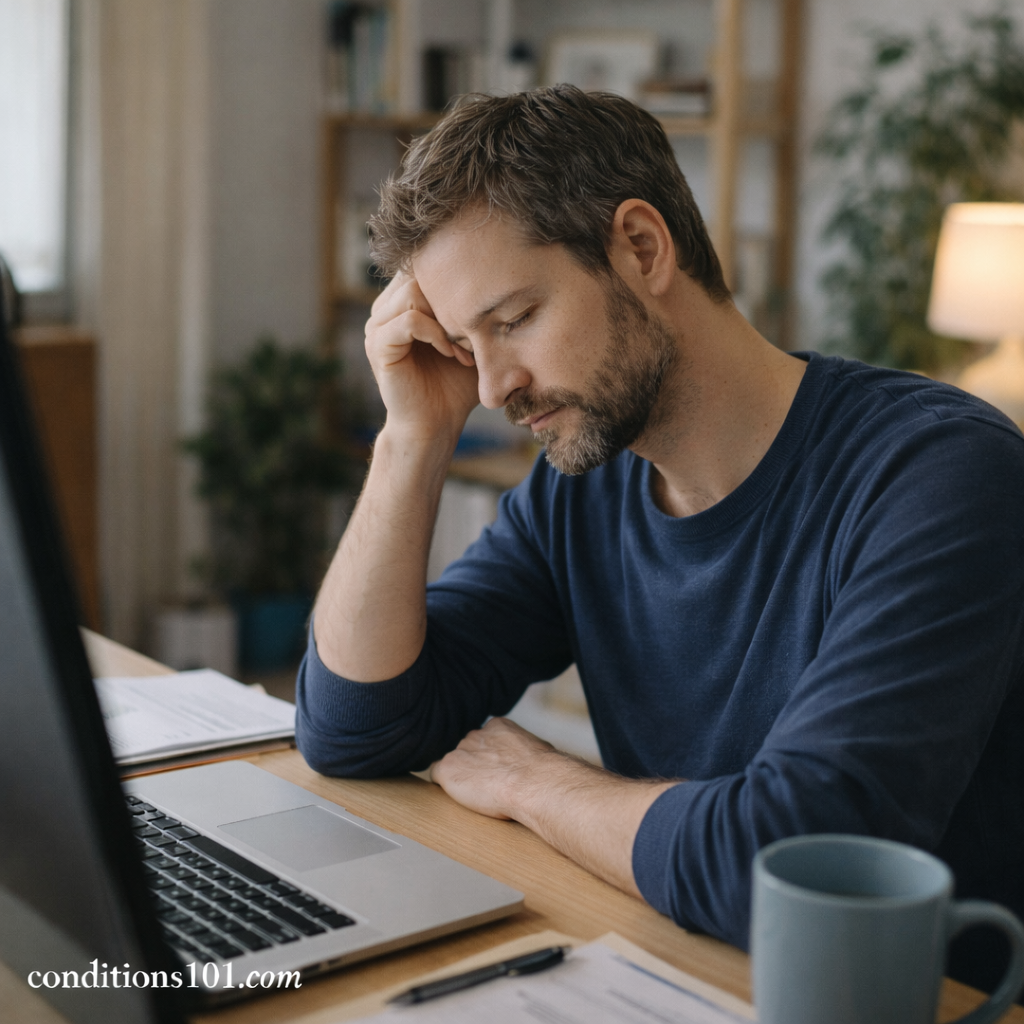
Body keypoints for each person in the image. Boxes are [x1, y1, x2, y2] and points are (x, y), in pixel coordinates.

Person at [296, 85, 1024, 991]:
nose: (491, 387)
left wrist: (538, 784)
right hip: (690, 972)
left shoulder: (940, 473)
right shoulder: (586, 483)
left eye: (514, 320)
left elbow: (789, 863)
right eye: (464, 344)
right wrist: (412, 439)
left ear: (642, 248)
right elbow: (354, 728)